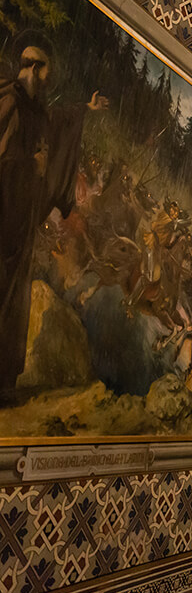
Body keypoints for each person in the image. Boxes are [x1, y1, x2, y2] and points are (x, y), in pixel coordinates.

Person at [0, 32, 107, 399]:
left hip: (20, 225)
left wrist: (86, 110)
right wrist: (31, 164)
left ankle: (3, 380)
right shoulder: (8, 101)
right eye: (27, 63)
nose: (32, 71)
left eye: (39, 65)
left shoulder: (38, 111)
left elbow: (59, 120)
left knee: (14, 300)